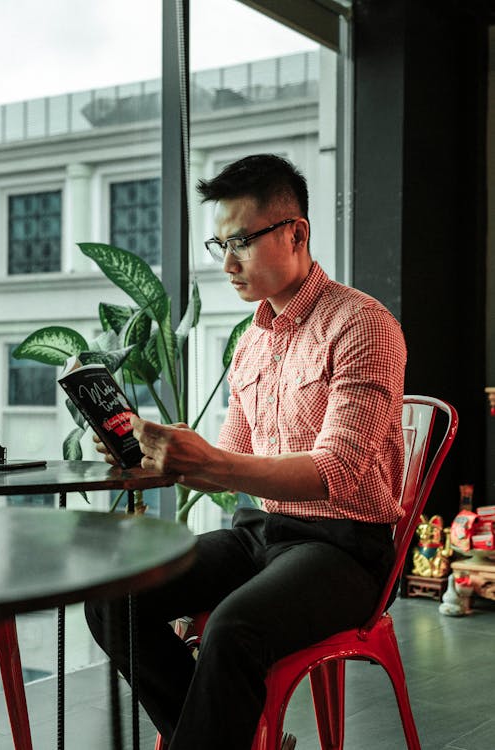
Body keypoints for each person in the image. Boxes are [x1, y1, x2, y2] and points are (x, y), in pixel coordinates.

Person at [86, 153, 407, 750]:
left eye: (240, 242)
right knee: (113, 599)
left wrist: (209, 462)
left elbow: (332, 473)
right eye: (219, 244)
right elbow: (229, 462)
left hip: (343, 548)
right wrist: (164, 450)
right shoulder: (251, 344)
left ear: (296, 233)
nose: (226, 263)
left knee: (234, 627)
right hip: (259, 535)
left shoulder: (362, 325)